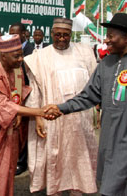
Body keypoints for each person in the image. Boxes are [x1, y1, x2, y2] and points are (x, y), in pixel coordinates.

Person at [44, 13, 127, 196]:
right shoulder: (106, 63)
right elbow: (88, 96)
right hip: (108, 143)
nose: (106, 40)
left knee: (113, 191)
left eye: (111, 35)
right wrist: (61, 108)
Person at [0, 34, 60, 196]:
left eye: (21, 54)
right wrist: (39, 112)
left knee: (8, 174)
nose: (21, 59)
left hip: (12, 133)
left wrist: (25, 114)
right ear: (3, 56)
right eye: (17, 56)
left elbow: (20, 94)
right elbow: (3, 107)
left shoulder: (16, 70)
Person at [24, 18, 98, 195]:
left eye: (66, 35)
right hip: (52, 119)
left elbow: (95, 85)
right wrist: (38, 117)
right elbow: (35, 92)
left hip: (81, 120)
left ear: (71, 35)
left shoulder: (84, 53)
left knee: (79, 161)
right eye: (58, 35)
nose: (62, 38)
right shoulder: (39, 57)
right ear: (52, 34)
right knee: (55, 161)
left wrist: (97, 110)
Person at [8, 22, 34, 175]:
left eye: (16, 34)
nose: (13, 37)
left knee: (24, 129)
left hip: (27, 95)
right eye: (11, 33)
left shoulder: (31, 51)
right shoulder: (8, 49)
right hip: (13, 95)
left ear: (24, 34)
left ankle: (22, 162)